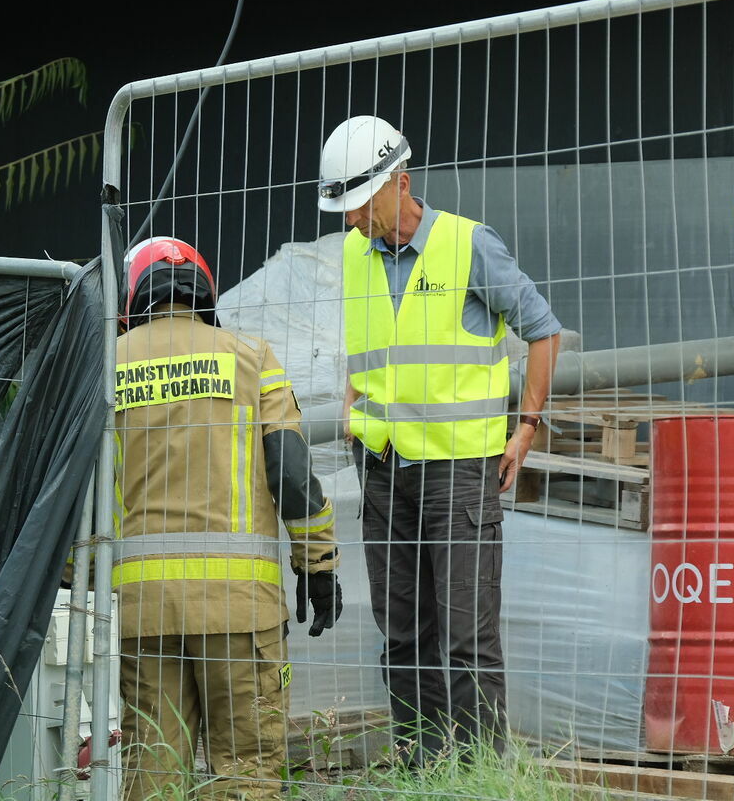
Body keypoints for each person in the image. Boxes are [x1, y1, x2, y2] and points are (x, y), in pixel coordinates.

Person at [317, 115, 561, 763]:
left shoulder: (468, 246)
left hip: (458, 470)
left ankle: (480, 769)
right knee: (401, 633)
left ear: (401, 182)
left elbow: (542, 330)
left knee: (465, 635)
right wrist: (352, 403)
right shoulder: (353, 254)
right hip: (381, 467)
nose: (350, 221)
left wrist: (526, 427)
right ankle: (420, 764)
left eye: (358, 204)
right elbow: (371, 346)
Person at [113, 236, 343, 800]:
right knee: (245, 774)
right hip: (240, 611)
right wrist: (318, 564)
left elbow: (75, 487)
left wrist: (71, 579)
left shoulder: (106, 368)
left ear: (134, 296)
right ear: (204, 291)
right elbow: (291, 474)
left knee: (155, 774)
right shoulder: (252, 358)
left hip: (143, 615)